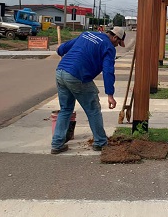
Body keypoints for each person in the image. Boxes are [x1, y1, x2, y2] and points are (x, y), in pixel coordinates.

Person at [50, 26, 126, 154]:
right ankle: (100, 142)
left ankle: (57, 144)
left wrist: (60, 50)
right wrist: (110, 94)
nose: (117, 46)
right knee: (93, 109)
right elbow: (108, 71)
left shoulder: (86, 34)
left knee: (66, 109)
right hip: (77, 76)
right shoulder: (109, 47)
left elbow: (62, 49)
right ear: (115, 37)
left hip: (60, 72)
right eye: (118, 43)